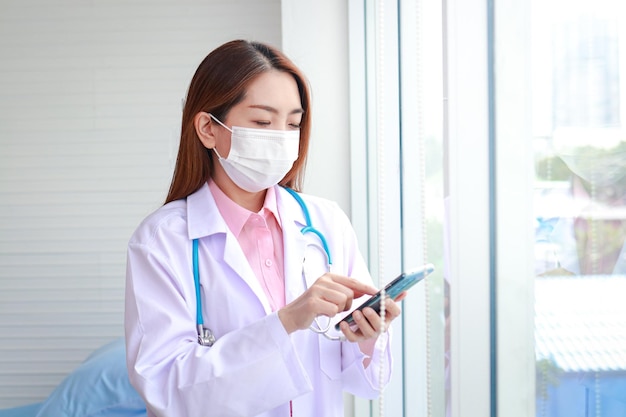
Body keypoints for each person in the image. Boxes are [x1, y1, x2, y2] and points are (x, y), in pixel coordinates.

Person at [124, 39, 405, 417]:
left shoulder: (326, 222)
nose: (282, 137)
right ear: (208, 128)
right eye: (261, 121)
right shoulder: (162, 241)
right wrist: (287, 321)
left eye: (293, 123)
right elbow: (167, 390)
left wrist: (366, 336)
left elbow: (362, 381)